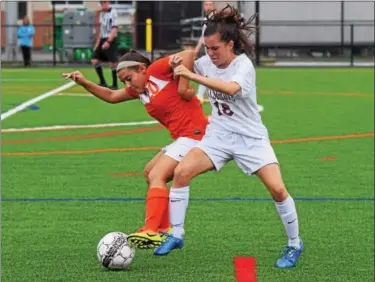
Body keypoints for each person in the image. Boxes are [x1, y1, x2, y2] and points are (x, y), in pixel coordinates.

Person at [154, 5, 303, 269]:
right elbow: (190, 57)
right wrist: (181, 63)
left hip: (250, 138)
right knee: (181, 172)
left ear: (230, 45)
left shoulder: (243, 65)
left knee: (278, 190)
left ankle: (294, 244)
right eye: (208, 48)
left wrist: (191, 74)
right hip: (219, 136)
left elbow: (231, 88)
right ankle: (176, 234)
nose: (210, 54)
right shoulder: (204, 63)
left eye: (215, 49)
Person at [63, 49, 208, 250]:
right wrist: (84, 82)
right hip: (183, 137)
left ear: (142, 69)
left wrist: (184, 85)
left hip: (195, 133)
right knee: (150, 172)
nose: (128, 85)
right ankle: (164, 229)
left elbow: (190, 53)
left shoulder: (156, 71)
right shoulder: (141, 90)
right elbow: (112, 96)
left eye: (129, 78)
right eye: (124, 82)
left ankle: (150, 229)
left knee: (157, 174)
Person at [92, 1, 119, 89]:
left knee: (112, 63)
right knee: (94, 60)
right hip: (102, 38)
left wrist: (108, 41)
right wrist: (97, 43)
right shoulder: (101, 14)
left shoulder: (113, 12)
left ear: (108, 3)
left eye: (105, 3)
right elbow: (100, 29)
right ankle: (103, 82)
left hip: (110, 39)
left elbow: (114, 29)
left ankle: (115, 84)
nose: (103, 5)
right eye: (102, 3)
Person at [194, 1, 216, 103]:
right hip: (209, 50)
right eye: (206, 4)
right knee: (208, 72)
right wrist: (196, 50)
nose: (207, 6)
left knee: (205, 72)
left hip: (214, 50)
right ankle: (204, 95)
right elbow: (203, 37)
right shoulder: (207, 19)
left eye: (210, 4)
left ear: (214, 6)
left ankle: (200, 95)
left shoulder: (215, 18)